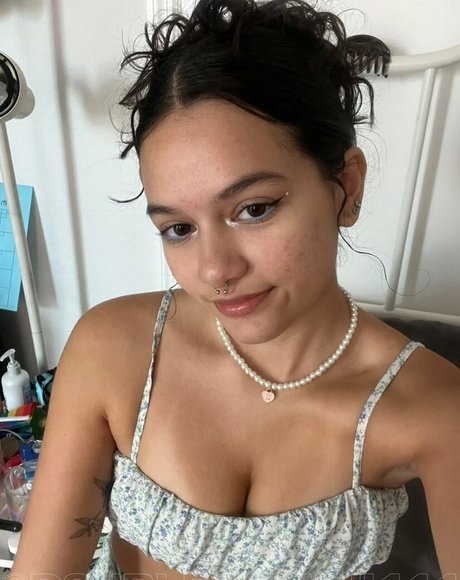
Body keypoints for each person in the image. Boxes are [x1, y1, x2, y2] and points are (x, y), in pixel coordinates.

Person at [10, 0, 460, 578]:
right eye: (178, 229)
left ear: (346, 187)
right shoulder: (113, 350)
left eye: (254, 209)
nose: (215, 271)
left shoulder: (433, 408)